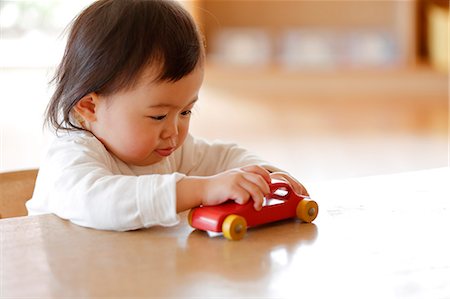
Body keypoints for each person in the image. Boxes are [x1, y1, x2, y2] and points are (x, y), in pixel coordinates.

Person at [26, 0, 308, 231]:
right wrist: (199, 190)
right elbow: (101, 203)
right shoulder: (71, 156)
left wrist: (265, 175)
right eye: (158, 116)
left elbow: (224, 158)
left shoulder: (167, 148)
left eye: (186, 111)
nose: (174, 132)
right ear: (90, 107)